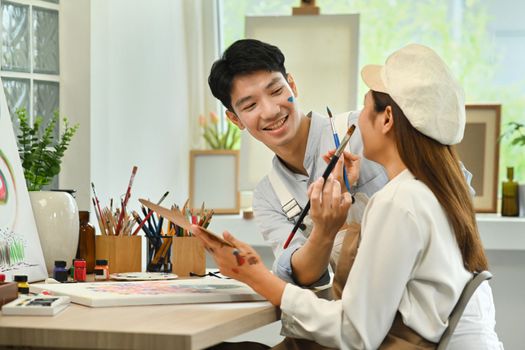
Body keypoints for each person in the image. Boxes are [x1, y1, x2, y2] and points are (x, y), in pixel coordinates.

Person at [196, 44, 501, 349]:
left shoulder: (379, 151)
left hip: (433, 328)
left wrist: (258, 278)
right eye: (249, 106)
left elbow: (443, 187)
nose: (270, 110)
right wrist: (325, 230)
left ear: (293, 84)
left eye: (276, 90)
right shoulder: (268, 195)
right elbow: (311, 281)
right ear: (235, 120)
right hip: (379, 325)